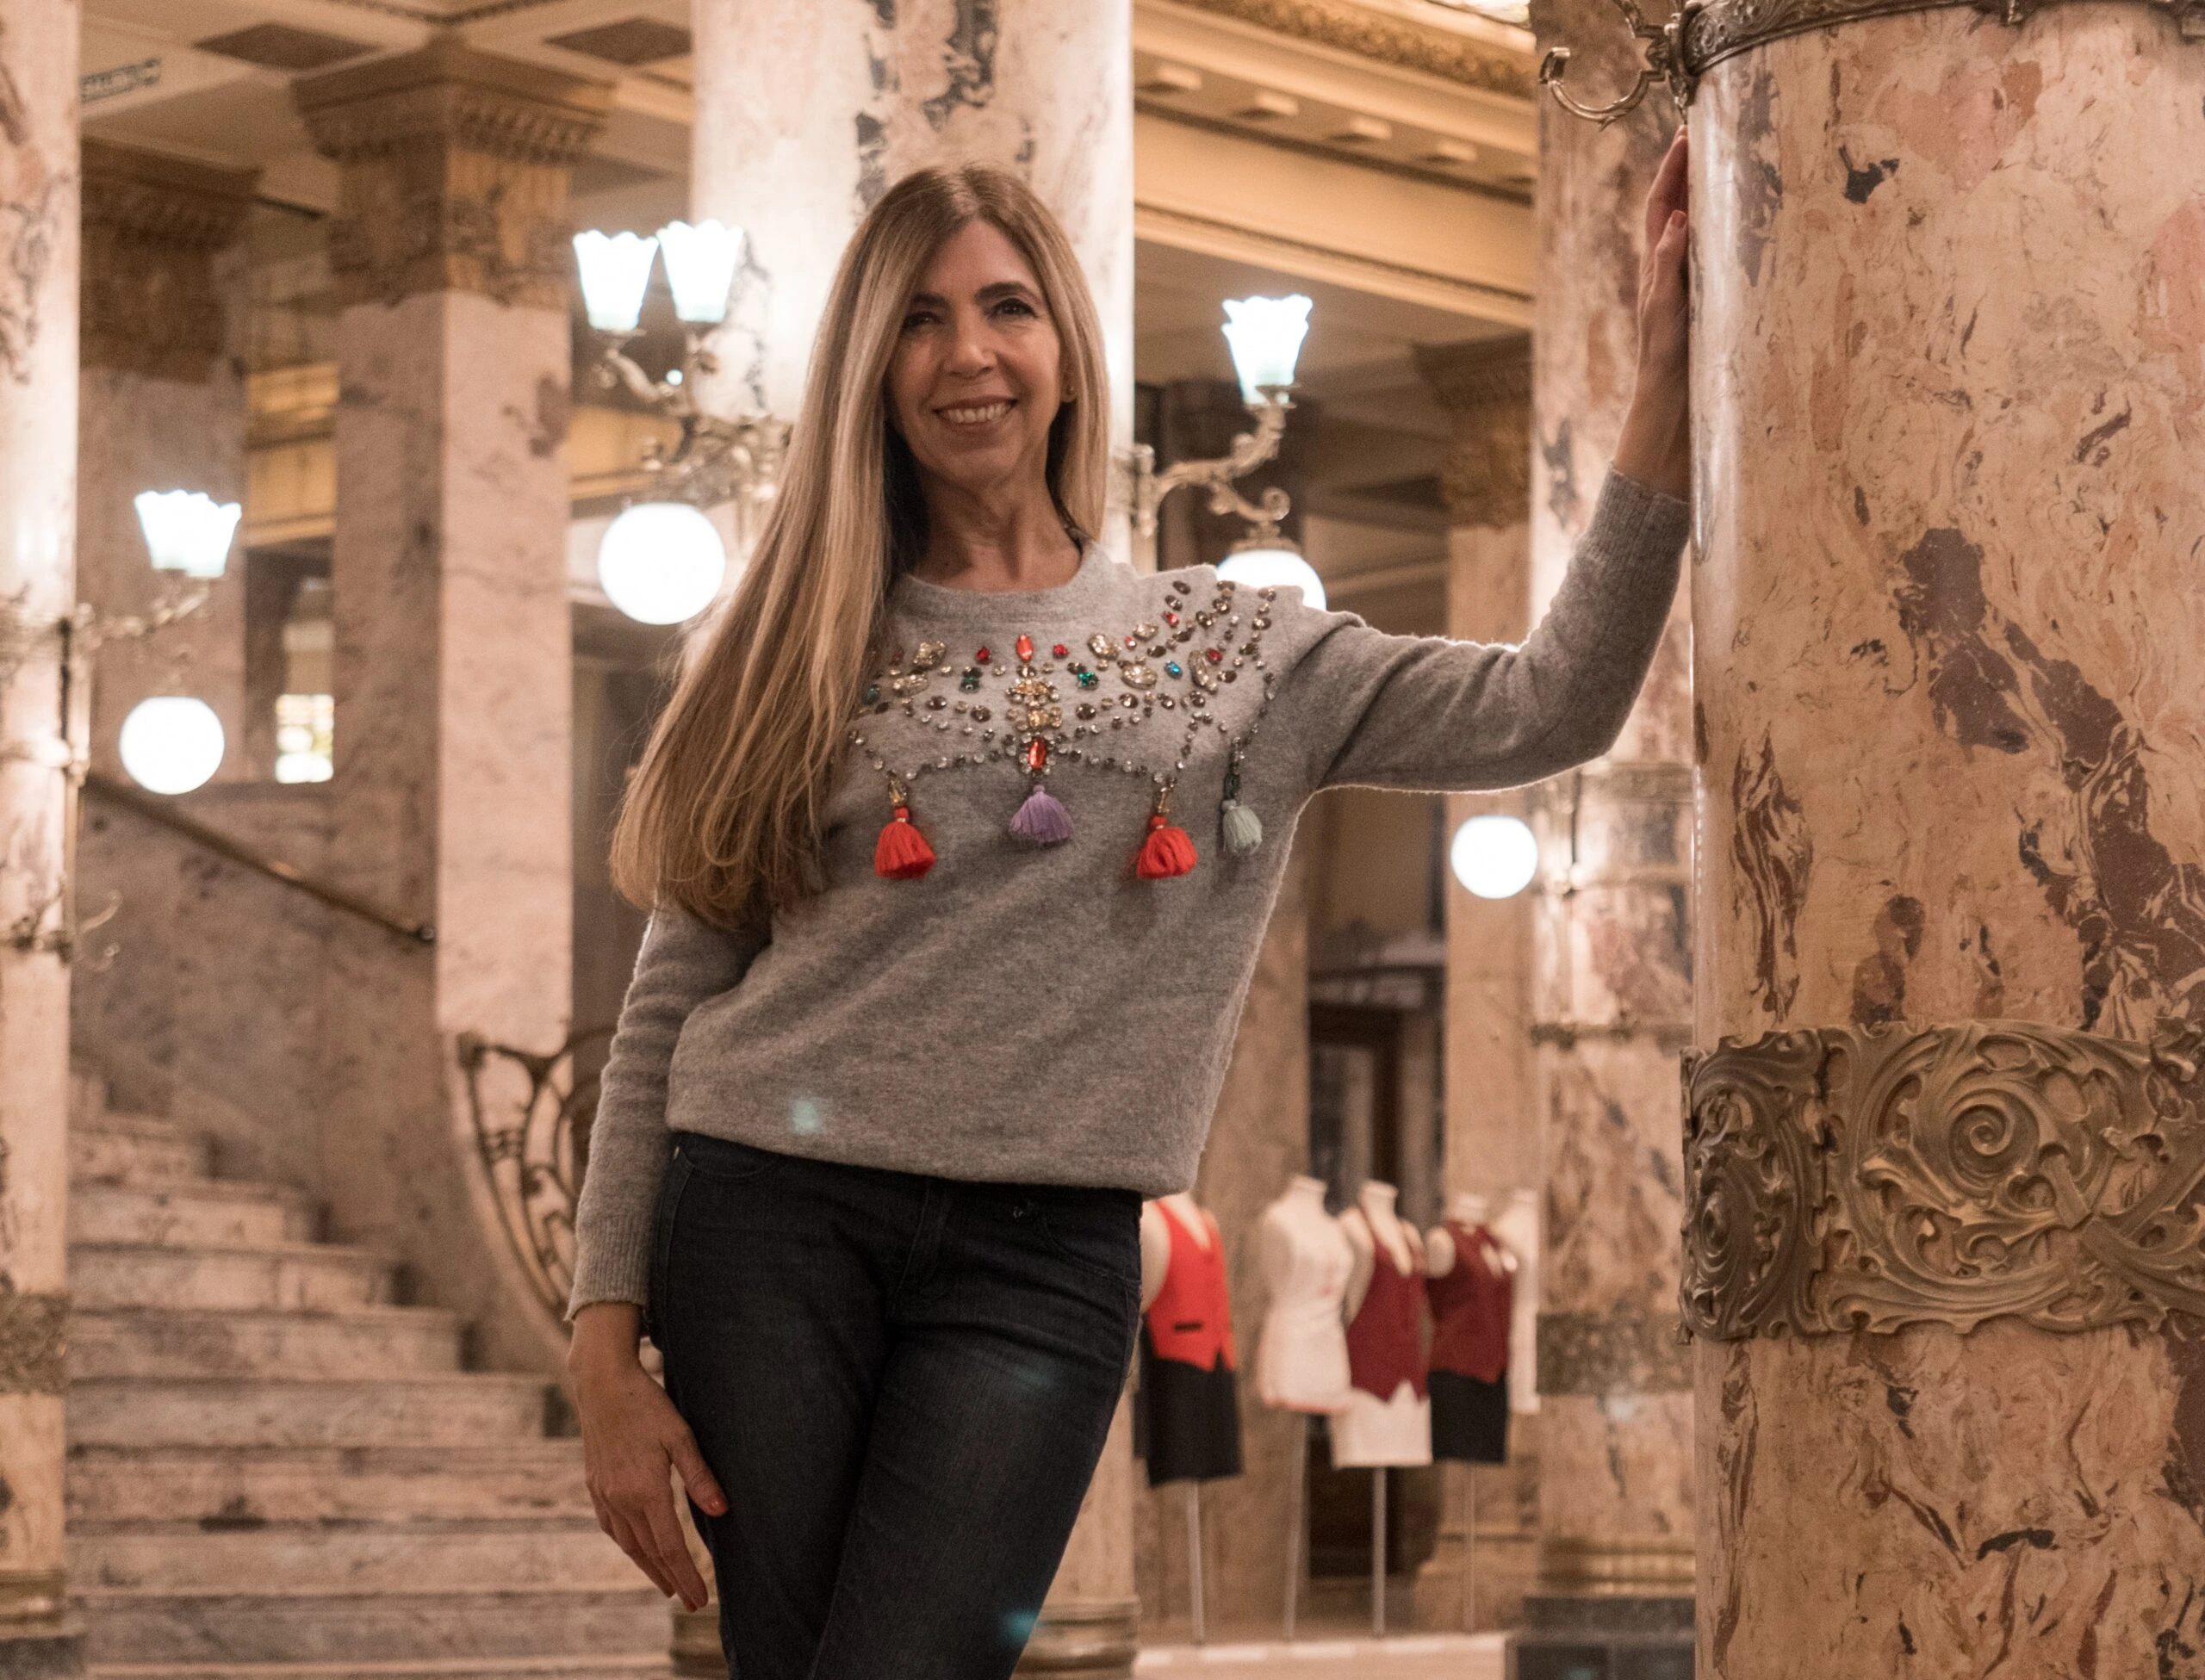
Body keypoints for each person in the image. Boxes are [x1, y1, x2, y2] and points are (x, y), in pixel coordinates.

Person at [568, 133, 1695, 1680]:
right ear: (868, 370)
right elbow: (668, 1001)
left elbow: (1553, 706)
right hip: (766, 1218)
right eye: (918, 317)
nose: (968, 353)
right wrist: (599, 1343)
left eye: (1006, 307)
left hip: (1048, 1256)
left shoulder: (1239, 649)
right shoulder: (784, 642)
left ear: (1068, 347)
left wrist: (1667, 385)